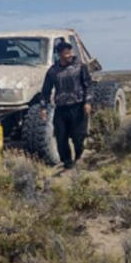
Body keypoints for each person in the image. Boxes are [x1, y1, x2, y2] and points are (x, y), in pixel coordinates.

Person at [40, 41, 93, 170]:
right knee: (61, 137)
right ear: (59, 54)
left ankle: (79, 158)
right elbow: (46, 90)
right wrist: (43, 108)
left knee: (78, 136)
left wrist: (87, 102)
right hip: (61, 108)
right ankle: (67, 163)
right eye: (66, 53)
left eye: (70, 52)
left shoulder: (80, 67)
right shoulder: (53, 71)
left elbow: (88, 86)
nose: (69, 55)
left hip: (78, 106)